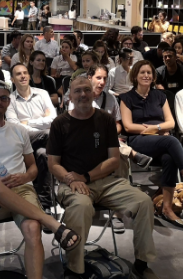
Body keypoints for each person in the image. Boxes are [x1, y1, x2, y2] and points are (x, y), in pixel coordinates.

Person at [0, 79, 82, 279]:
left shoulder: (19, 131)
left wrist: (24, 176)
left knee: (32, 228)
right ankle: (53, 223)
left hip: (22, 190)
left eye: (3, 98)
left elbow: (33, 168)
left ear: (8, 103)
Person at [48, 74, 158, 278]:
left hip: (106, 182)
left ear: (93, 94)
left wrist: (86, 177)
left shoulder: (105, 120)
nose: (83, 94)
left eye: (87, 90)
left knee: (143, 201)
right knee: (81, 206)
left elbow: (114, 160)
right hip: (71, 183)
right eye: (78, 91)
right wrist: (72, 179)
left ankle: (142, 263)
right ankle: (75, 268)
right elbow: (53, 164)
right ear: (69, 97)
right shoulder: (59, 123)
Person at [115, 64, 183, 228]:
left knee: (170, 157)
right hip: (138, 142)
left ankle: (167, 209)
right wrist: (153, 131)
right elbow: (128, 126)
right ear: (135, 76)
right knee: (172, 141)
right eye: (142, 72)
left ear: (153, 77)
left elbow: (171, 122)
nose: (146, 75)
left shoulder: (160, 96)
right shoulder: (126, 98)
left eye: (149, 72)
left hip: (159, 138)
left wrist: (157, 128)